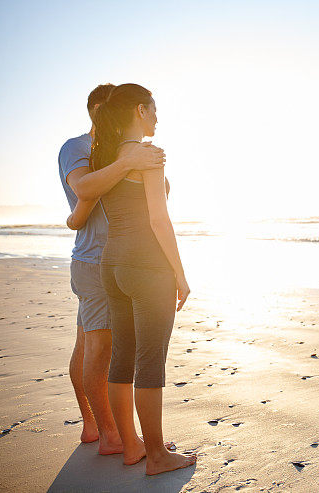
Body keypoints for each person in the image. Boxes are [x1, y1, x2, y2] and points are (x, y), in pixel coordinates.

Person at [82, 83, 196, 475]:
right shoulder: (146, 155)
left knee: (123, 356)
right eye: (154, 109)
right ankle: (159, 456)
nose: (158, 117)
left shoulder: (105, 155)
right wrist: (180, 274)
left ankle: (132, 447)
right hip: (147, 265)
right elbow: (158, 220)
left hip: (112, 262)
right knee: (150, 361)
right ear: (139, 110)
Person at [58, 84, 165, 454]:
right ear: (96, 109)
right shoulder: (80, 147)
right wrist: (128, 163)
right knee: (101, 347)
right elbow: (85, 191)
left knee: (90, 343)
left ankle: (96, 427)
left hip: (111, 258)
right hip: (96, 258)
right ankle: (109, 434)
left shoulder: (111, 150)